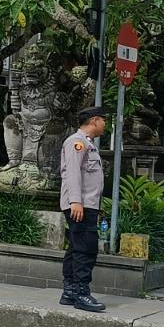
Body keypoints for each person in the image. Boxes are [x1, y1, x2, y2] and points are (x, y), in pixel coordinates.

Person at [59, 106, 108, 313]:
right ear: (94, 120)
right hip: (80, 205)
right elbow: (72, 173)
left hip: (87, 204)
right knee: (86, 248)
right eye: (104, 120)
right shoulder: (77, 143)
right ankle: (81, 292)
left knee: (76, 246)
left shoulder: (87, 144)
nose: (106, 124)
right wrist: (76, 201)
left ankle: (70, 291)